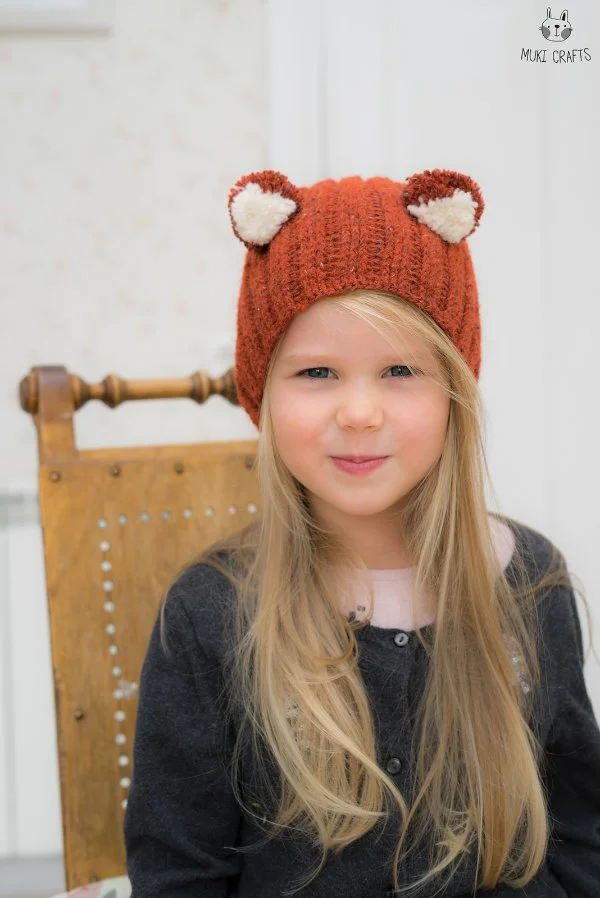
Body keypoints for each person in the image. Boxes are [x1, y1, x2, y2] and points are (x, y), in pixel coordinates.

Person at [123, 168, 600, 897]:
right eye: (317, 372)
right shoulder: (210, 615)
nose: (359, 412)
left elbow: (578, 835)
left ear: (453, 395)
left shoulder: (530, 580)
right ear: (262, 395)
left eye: (400, 369)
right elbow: (180, 872)